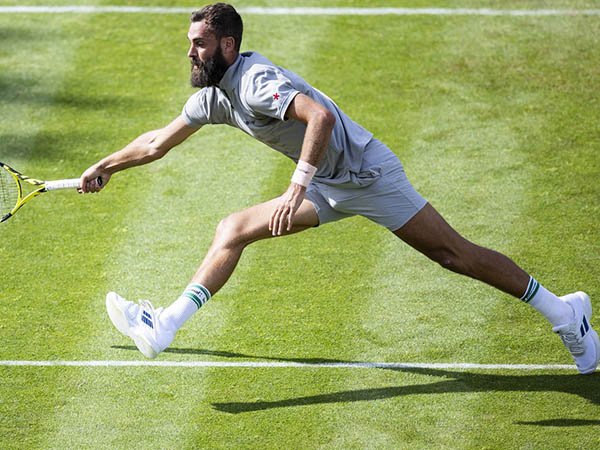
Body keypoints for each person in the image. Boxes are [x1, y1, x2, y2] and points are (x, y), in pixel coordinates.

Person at [80, 3, 598, 374]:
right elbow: (155, 143)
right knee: (233, 229)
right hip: (326, 183)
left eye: (199, 43)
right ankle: (164, 326)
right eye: (189, 43)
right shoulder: (215, 96)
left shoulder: (256, 81)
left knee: (454, 255)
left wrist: (294, 187)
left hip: (366, 176)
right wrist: (106, 165)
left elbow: (319, 115)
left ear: (228, 45)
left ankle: (564, 313)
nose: (190, 52)